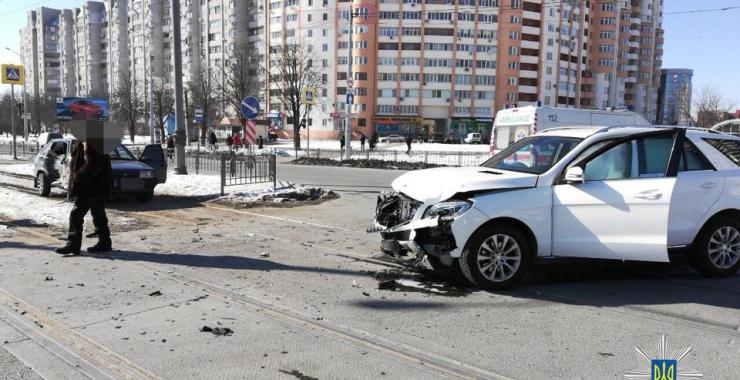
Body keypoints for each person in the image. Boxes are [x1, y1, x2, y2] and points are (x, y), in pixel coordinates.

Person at [55, 140, 112, 255]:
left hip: (90, 188)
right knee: (98, 214)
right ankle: (104, 242)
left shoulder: (94, 145)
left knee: (76, 215)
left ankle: (73, 244)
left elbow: (93, 165)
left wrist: (78, 176)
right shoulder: (84, 143)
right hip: (95, 188)